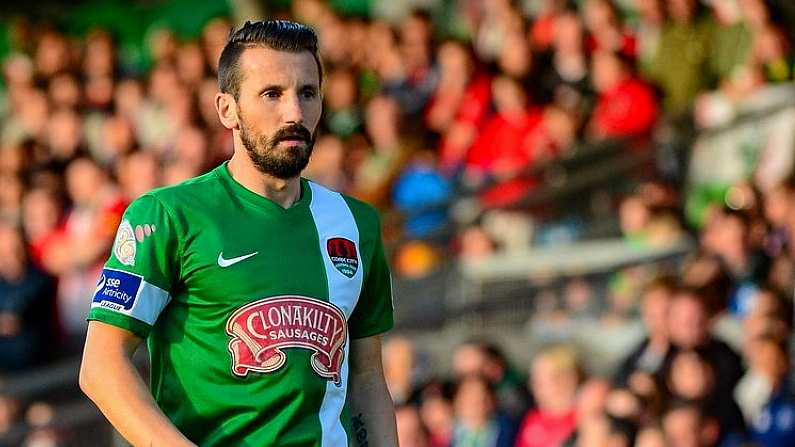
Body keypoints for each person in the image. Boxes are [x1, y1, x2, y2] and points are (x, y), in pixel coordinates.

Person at [79, 20, 398, 446]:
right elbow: (102, 366)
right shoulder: (167, 215)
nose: (294, 113)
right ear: (226, 109)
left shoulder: (357, 224)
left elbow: (367, 377)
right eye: (272, 94)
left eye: (307, 93)